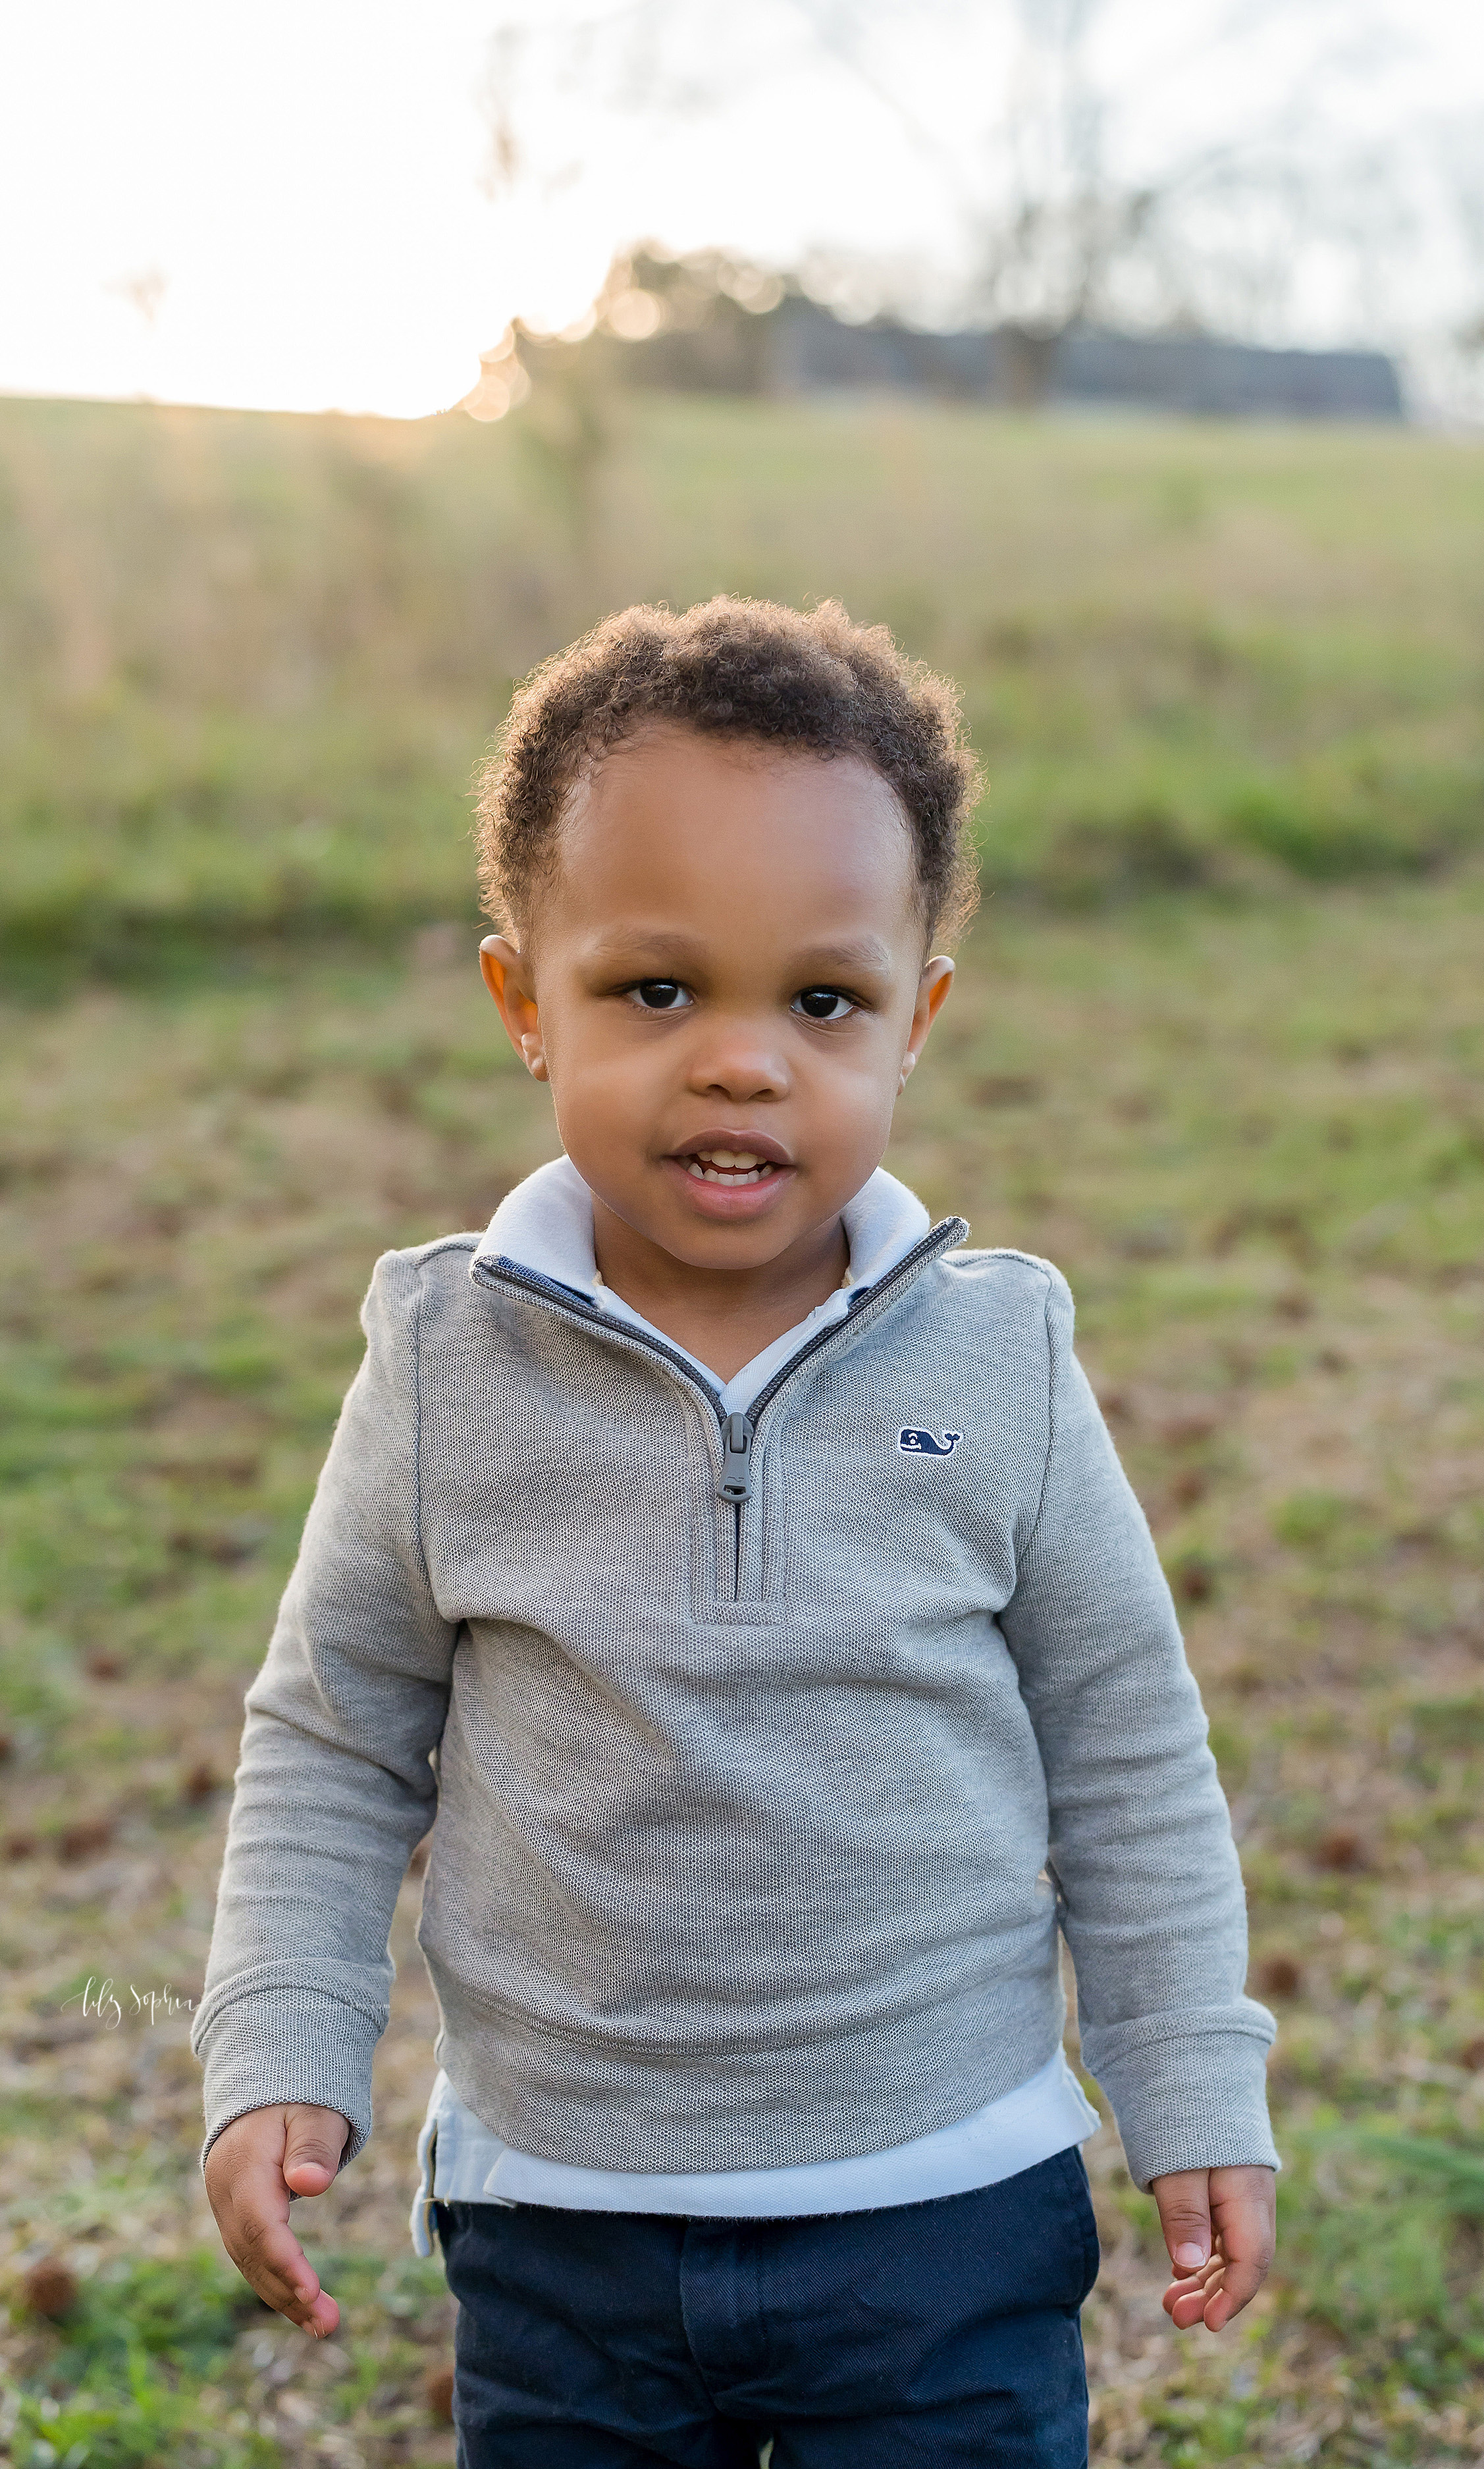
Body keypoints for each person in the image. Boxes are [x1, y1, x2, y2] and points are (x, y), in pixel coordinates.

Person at [195, 597, 1279, 2466]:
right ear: (521, 1002)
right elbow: (335, 1733)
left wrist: (1190, 2082)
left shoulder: (1001, 1353)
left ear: (915, 1023)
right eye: (655, 989)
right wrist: (279, 2044)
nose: (741, 1062)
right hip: (560, 2224)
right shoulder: (450, 1359)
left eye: (823, 1001)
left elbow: (1125, 1747)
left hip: (943, 2212)